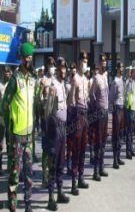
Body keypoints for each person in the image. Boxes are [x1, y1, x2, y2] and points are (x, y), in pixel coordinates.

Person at [2, 42, 35, 212]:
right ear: (21, 59)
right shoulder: (15, 79)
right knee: (15, 174)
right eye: (27, 57)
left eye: (31, 57)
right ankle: (13, 206)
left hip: (29, 135)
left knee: (28, 174)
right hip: (16, 135)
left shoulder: (32, 80)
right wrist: (10, 125)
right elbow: (4, 105)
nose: (30, 60)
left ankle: (28, 204)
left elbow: (33, 104)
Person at [45, 57, 70, 211]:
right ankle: (50, 197)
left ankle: (60, 192)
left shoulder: (63, 85)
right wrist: (49, 130)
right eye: (61, 68)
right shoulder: (53, 85)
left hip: (63, 127)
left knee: (61, 160)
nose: (63, 70)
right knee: (53, 163)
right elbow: (48, 110)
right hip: (55, 127)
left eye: (64, 68)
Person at [69, 51, 90, 195]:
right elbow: (71, 101)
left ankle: (81, 177)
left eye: (86, 61)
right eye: (83, 61)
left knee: (83, 147)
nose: (84, 63)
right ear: (79, 61)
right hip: (77, 114)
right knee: (76, 148)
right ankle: (73, 182)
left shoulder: (86, 80)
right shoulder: (75, 79)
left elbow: (88, 97)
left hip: (85, 114)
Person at [90, 54, 109, 181]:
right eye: (101, 61)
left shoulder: (106, 76)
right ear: (99, 62)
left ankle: (101, 167)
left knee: (103, 140)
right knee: (98, 141)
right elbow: (91, 94)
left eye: (105, 61)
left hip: (106, 111)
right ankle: (95, 170)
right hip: (99, 112)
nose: (104, 63)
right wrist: (96, 107)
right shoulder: (96, 78)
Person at [40, 57, 56, 187]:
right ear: (47, 65)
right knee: (46, 149)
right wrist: (43, 93)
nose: (52, 66)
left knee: (53, 149)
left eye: (53, 64)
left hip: (54, 120)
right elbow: (38, 100)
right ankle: (45, 177)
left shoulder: (55, 80)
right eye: (50, 64)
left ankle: (51, 175)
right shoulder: (43, 80)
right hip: (45, 119)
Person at [109, 62, 125, 169]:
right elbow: (111, 98)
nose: (122, 69)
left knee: (120, 133)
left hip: (122, 108)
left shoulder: (122, 80)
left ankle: (118, 156)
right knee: (115, 134)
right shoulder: (115, 82)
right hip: (116, 109)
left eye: (122, 67)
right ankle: (114, 159)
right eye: (120, 68)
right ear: (117, 69)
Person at [0, 67, 12, 175]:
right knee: (0, 143)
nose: (7, 74)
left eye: (8, 72)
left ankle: (9, 166)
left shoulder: (12, 85)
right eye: (5, 72)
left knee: (9, 143)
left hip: (10, 117)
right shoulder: (0, 85)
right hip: (1, 117)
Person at [124, 65, 135, 159]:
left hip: (133, 108)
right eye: (134, 72)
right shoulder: (128, 82)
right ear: (131, 73)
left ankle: (131, 149)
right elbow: (126, 95)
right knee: (129, 131)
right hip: (129, 109)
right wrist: (128, 106)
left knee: (132, 131)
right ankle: (128, 151)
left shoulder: (133, 82)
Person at [66, 62, 77, 176]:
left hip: (77, 114)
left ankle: (73, 163)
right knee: (69, 141)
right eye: (72, 72)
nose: (73, 74)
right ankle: (68, 164)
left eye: (75, 72)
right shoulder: (67, 85)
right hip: (69, 115)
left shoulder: (77, 83)